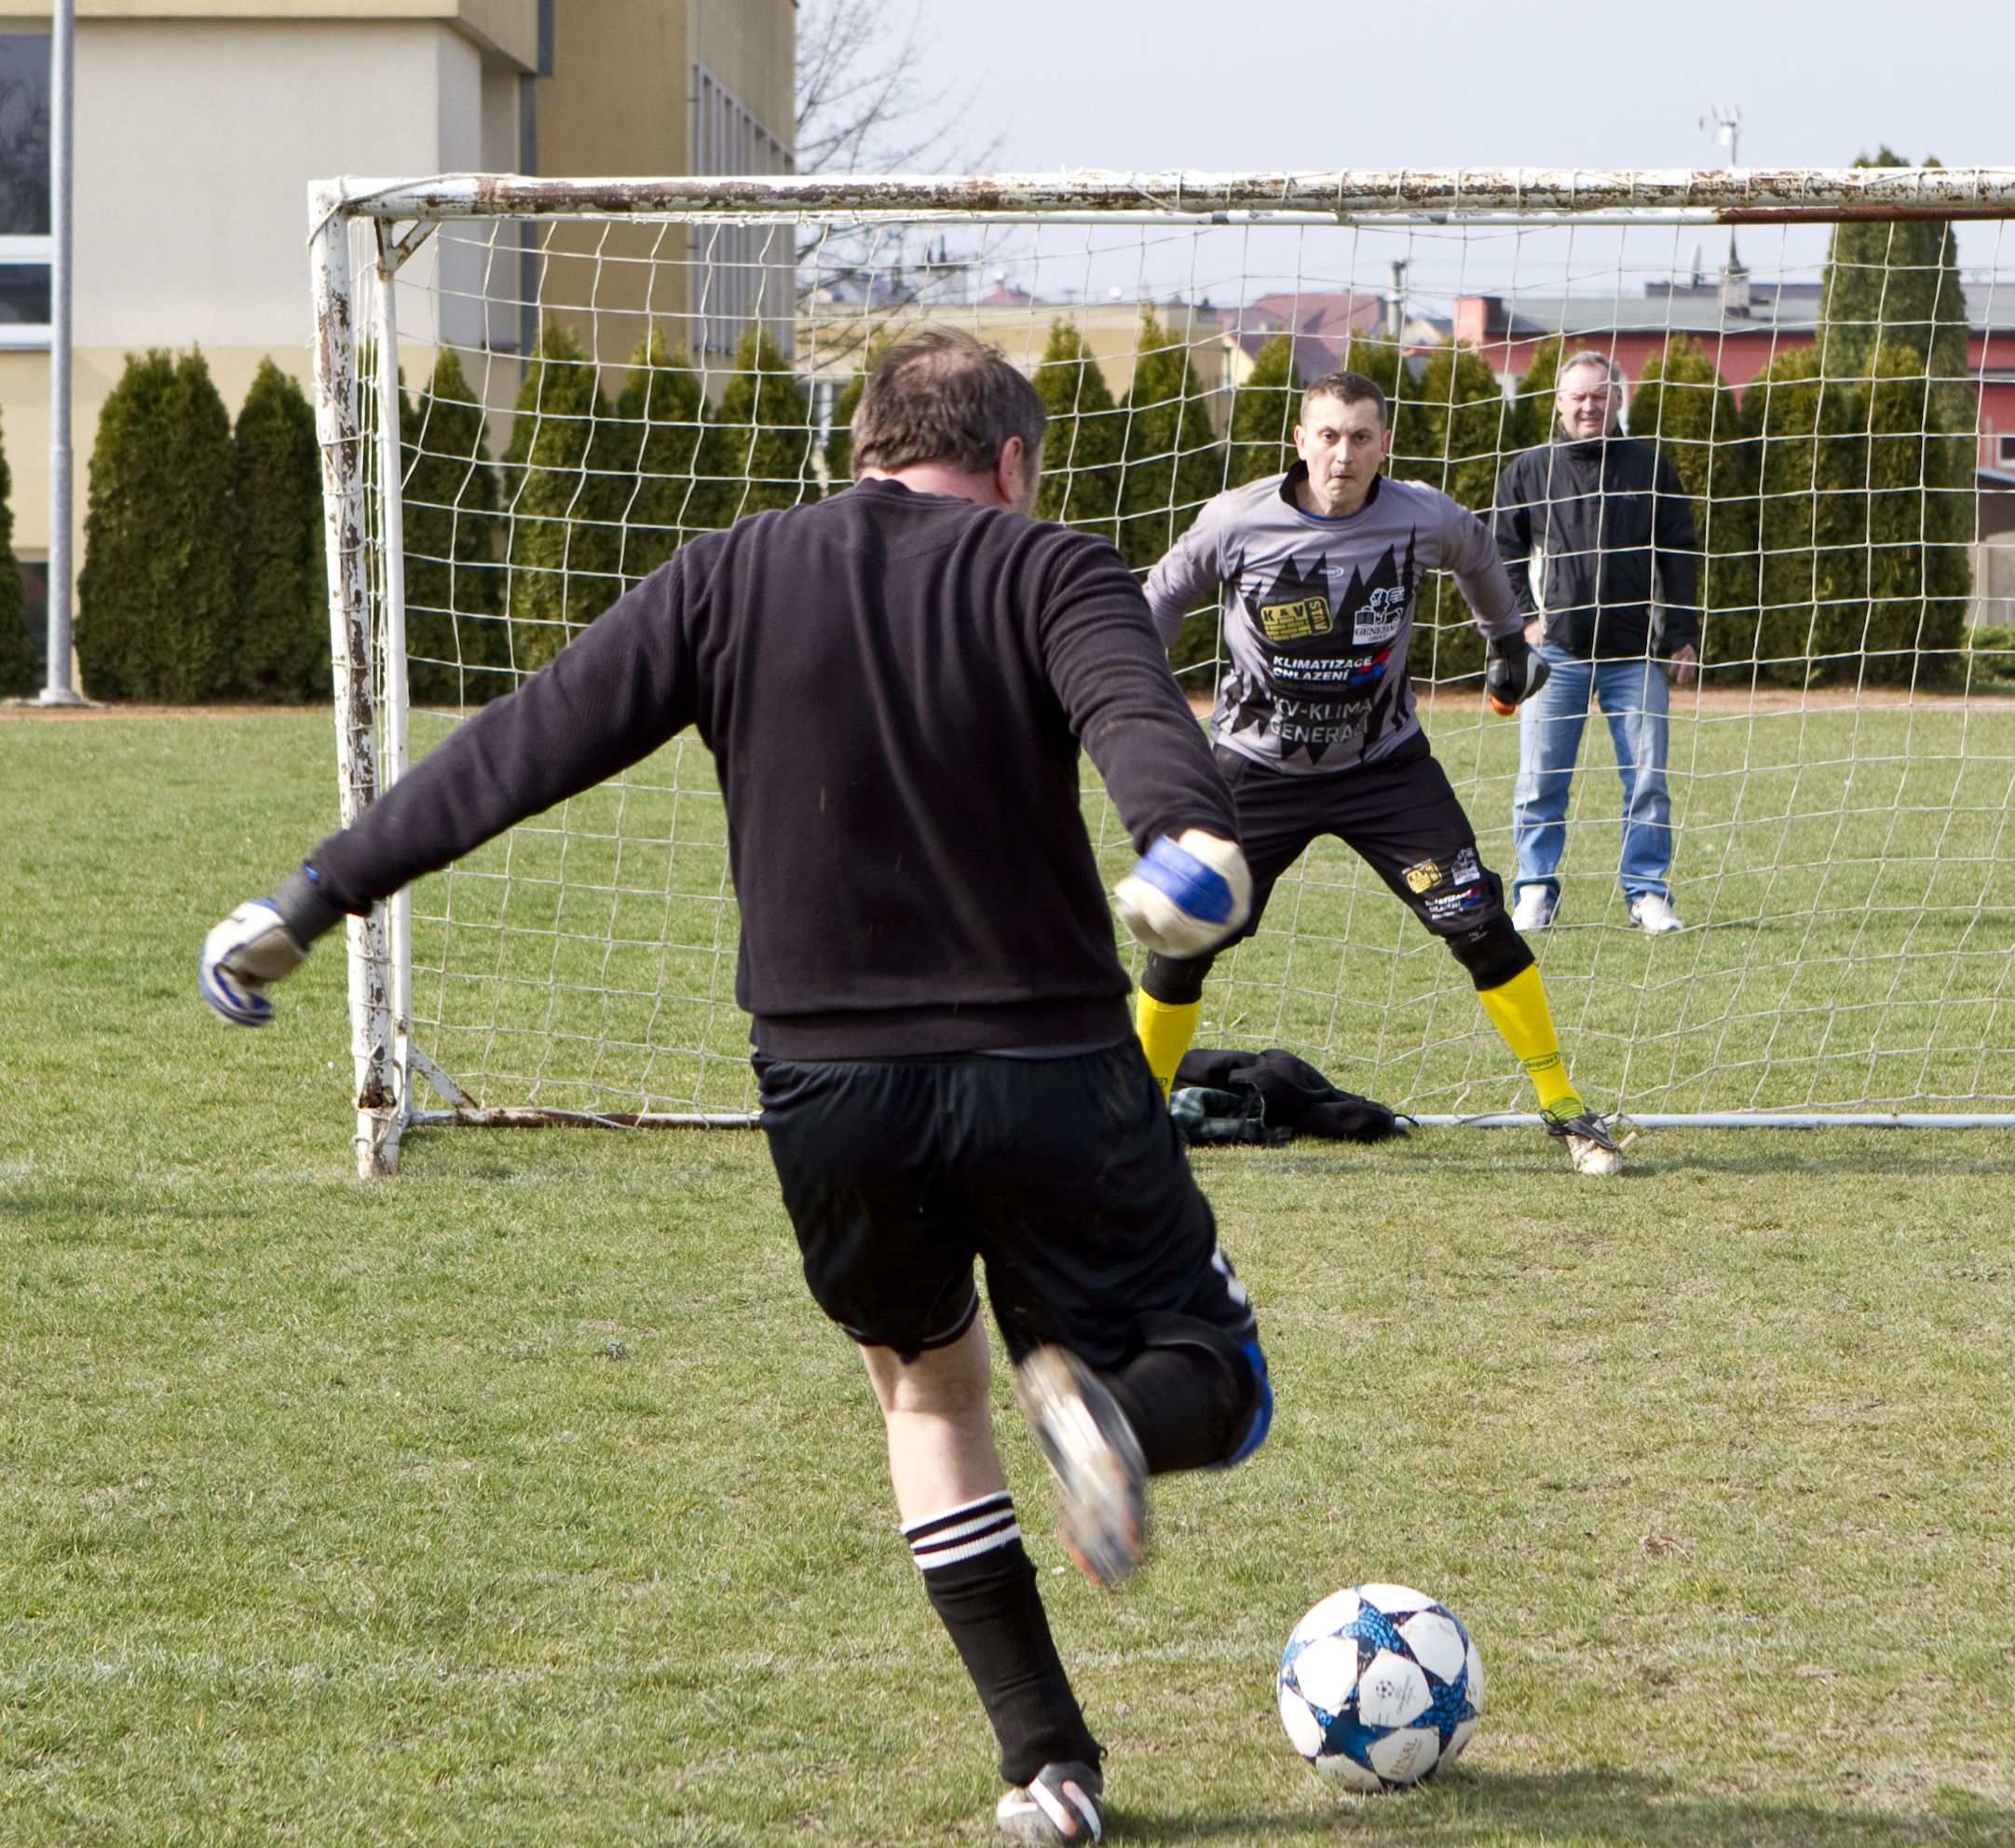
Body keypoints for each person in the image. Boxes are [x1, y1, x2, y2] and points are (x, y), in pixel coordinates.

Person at [197, 329, 1273, 1846]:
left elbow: (521, 744)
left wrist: (315, 891)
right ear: (1014, 461)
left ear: (861, 451)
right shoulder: (1051, 568)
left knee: (925, 1381)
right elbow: (1140, 726)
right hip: (1047, 1064)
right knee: (1217, 1377)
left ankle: (1048, 1765)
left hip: (831, 1087)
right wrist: (1187, 843)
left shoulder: (727, 574)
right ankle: (1109, 1414)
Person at [1137, 369, 1625, 1177]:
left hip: (1385, 769)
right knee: (1181, 939)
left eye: (1361, 436)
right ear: (1299, 441)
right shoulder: (1235, 520)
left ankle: (1567, 1108)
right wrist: (1144, 709)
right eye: (1328, 435)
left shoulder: (1420, 515)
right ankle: (1138, 1120)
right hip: (1253, 772)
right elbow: (1156, 602)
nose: (1343, 454)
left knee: (1477, 925)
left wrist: (1506, 644)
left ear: (1384, 444)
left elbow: (1476, 551)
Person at [1491, 349, 1702, 935]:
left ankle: (1647, 895)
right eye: (1579, 395)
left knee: (1648, 781)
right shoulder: (1528, 470)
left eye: (1601, 395)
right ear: (1559, 402)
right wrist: (1524, 621)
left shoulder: (1650, 467)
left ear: (1617, 401)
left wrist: (1681, 632)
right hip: (1552, 655)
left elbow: (1679, 553)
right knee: (1539, 782)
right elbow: (1499, 555)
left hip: (1634, 656)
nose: (1590, 405)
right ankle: (1535, 891)